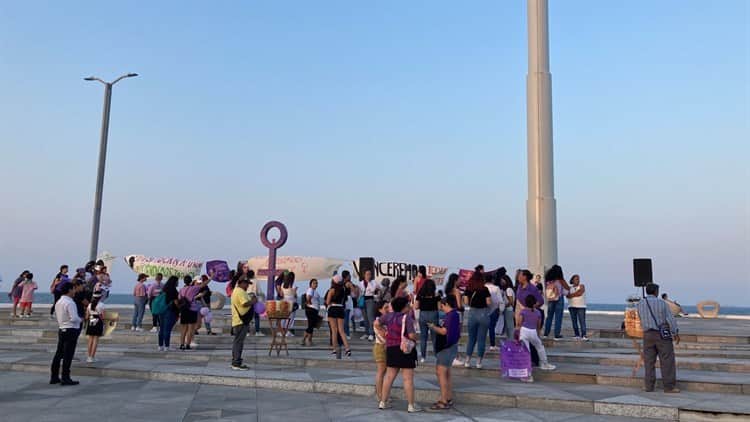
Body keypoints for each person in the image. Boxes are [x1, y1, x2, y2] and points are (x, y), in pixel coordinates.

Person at [378, 296, 422, 413]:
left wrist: (384, 333)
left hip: (391, 348)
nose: (409, 307)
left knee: (389, 377)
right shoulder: (406, 318)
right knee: (407, 379)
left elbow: (377, 323)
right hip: (405, 350)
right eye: (407, 305)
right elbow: (412, 336)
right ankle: (411, 405)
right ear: (404, 307)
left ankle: (383, 402)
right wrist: (417, 338)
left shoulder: (388, 316)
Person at [638, 283, 681, 393]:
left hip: (647, 335)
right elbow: (670, 319)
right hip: (661, 334)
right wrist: (675, 332)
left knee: (649, 361)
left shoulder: (640, 303)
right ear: (656, 291)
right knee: (667, 360)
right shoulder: (661, 303)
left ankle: (649, 386)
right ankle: (669, 386)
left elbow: (640, 318)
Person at [427, 295, 460, 410]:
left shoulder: (450, 316)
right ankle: (448, 397)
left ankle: (443, 400)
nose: (441, 308)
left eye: (442, 306)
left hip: (446, 348)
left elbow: (444, 331)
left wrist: (433, 327)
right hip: (452, 347)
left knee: (441, 373)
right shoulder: (455, 314)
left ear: (446, 304)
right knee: (447, 373)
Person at [516, 295, 556, 382]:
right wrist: (538, 335)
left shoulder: (523, 311)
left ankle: (528, 375)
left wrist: (517, 335)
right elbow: (538, 326)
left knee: (526, 352)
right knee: (540, 347)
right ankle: (544, 363)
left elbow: (519, 323)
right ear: (534, 303)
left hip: (524, 331)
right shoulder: (537, 312)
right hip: (533, 331)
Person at [50, 282, 81, 386]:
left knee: (59, 353)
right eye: (73, 289)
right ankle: (65, 377)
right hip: (71, 329)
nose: (74, 291)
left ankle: (54, 376)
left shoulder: (59, 301)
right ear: (69, 290)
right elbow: (74, 318)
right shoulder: (70, 303)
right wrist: (81, 319)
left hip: (62, 329)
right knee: (68, 354)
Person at [463, 271, 492, 369]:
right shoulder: (485, 289)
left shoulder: (468, 289)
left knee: (471, 339)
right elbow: (488, 302)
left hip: (472, 314)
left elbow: (466, 302)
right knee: (481, 339)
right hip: (483, 314)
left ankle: (467, 361)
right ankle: (479, 362)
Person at [230, 275, 256, 370]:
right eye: (246, 284)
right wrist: (253, 301)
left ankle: (235, 361)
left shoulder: (238, 291)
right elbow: (244, 303)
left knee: (237, 341)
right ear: (242, 283)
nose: (247, 286)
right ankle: (236, 363)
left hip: (239, 321)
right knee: (239, 342)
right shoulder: (240, 291)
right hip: (241, 321)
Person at [325, 275, 351, 357]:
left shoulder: (331, 290)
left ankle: (334, 349)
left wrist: (331, 303)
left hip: (333, 309)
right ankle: (347, 349)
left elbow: (327, 302)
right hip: (340, 309)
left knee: (334, 331)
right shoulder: (343, 289)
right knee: (341, 331)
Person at [543, 265, 570, 339]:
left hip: (550, 299)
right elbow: (567, 287)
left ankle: (546, 333)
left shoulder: (548, 280)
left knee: (549, 317)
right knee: (558, 317)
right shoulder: (560, 280)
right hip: (559, 298)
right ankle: (557, 334)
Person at [415, 278, 439, 363]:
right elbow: (439, 307)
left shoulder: (420, 295)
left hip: (423, 315)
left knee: (423, 337)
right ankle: (436, 355)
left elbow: (416, 307)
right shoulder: (436, 295)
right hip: (433, 315)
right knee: (435, 337)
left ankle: (423, 357)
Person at [372, 300, 390, 404]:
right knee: (381, 371)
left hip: (385, 347)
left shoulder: (385, 320)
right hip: (380, 347)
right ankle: (380, 395)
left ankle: (383, 394)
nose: (388, 310)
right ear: (379, 310)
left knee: (385, 372)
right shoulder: (378, 321)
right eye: (385, 308)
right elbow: (384, 335)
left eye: (388, 307)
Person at [178, 275, 200, 350]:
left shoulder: (181, 290)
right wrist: (211, 277)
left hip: (184, 310)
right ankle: (188, 344)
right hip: (192, 310)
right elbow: (203, 285)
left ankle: (181, 344)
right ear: (191, 281)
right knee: (191, 329)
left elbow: (179, 299)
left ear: (184, 281)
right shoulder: (194, 288)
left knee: (183, 329)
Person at [158, 276, 180, 352]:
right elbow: (176, 302)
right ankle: (167, 346)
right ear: (174, 282)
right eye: (177, 281)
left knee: (162, 329)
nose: (178, 283)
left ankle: (160, 346)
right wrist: (179, 309)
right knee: (167, 329)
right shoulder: (173, 290)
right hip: (170, 311)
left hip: (162, 310)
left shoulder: (164, 289)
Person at [85, 292, 105, 363]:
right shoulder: (102, 305)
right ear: (100, 297)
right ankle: (92, 357)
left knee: (90, 340)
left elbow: (86, 316)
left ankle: (88, 356)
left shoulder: (90, 305)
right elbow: (103, 317)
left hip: (91, 321)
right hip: (98, 322)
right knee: (95, 340)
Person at [485, 273, 503, 351]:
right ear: (492, 280)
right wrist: (501, 310)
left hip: (483, 310)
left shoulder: (483, 287)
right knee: (492, 328)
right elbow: (500, 300)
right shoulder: (496, 288)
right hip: (494, 310)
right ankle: (492, 345)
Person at [567, 274, 587, 340]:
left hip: (581, 306)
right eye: (576, 279)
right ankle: (577, 335)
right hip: (572, 306)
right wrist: (574, 294)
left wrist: (571, 295)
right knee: (574, 321)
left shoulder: (582, 286)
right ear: (572, 280)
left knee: (582, 321)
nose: (578, 280)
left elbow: (580, 293)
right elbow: (567, 295)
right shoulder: (570, 288)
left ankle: (584, 335)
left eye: (578, 279)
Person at [302, 279, 321, 346]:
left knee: (311, 326)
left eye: (316, 283)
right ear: (311, 284)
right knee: (310, 326)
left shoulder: (314, 291)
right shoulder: (310, 290)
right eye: (314, 283)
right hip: (311, 309)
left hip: (314, 310)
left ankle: (308, 340)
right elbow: (308, 297)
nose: (316, 284)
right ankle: (305, 340)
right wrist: (310, 303)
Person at [360, 270, 378, 342]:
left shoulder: (373, 282)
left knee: (371, 317)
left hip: (370, 299)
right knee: (365, 317)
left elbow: (373, 290)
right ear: (364, 275)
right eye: (367, 274)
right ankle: (366, 333)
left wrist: (368, 282)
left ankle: (371, 333)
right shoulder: (361, 283)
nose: (368, 275)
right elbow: (360, 291)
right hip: (363, 300)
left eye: (370, 274)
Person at [280, 272, 298, 337]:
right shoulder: (294, 285)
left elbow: (281, 294)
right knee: (291, 318)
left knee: (284, 317)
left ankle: (282, 331)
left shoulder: (283, 284)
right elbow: (295, 295)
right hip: (292, 302)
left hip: (284, 301)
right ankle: (288, 331)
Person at [500, 275, 515, 339]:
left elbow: (511, 301)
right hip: (508, 310)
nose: (501, 282)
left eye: (502, 280)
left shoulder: (508, 289)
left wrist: (504, 306)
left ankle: (511, 340)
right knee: (508, 326)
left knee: (510, 326)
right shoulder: (508, 289)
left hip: (508, 310)